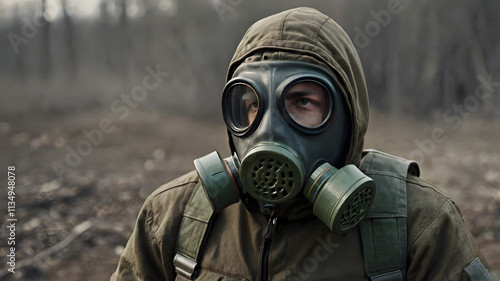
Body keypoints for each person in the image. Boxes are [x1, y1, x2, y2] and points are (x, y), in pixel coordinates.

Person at [110, 7, 495, 281]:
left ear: (348, 116)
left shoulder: (420, 225)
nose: (269, 130)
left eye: (302, 101)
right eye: (252, 104)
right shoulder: (171, 218)